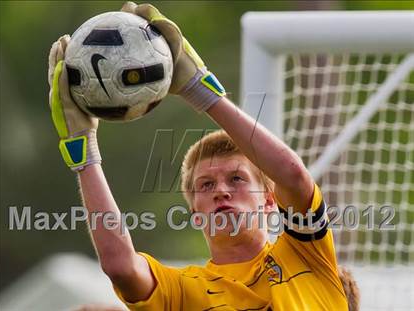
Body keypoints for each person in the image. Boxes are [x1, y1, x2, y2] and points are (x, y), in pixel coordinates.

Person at [48, 2, 359, 310]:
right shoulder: (181, 291)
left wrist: (199, 89)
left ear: (268, 199)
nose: (221, 191)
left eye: (237, 178)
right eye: (206, 185)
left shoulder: (308, 256)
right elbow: (120, 266)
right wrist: (84, 151)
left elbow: (292, 174)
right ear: (196, 214)